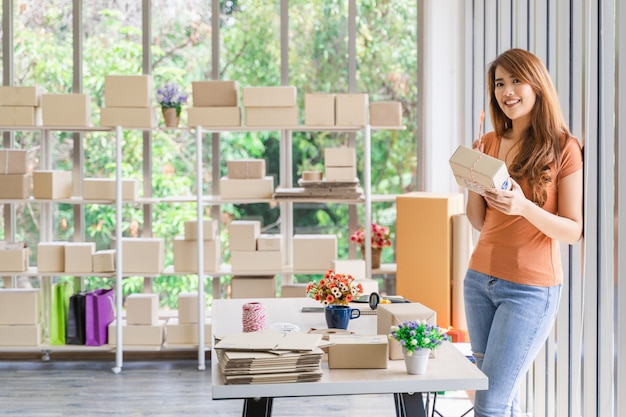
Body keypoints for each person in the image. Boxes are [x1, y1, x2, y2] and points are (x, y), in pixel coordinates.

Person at [464, 48, 583, 417]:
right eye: (500, 83)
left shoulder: (564, 147)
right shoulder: (488, 142)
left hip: (530, 291)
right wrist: (472, 177)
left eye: (516, 80)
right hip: (479, 281)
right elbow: (480, 221)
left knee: (490, 403)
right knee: (501, 397)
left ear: (537, 84)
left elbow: (573, 230)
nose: (507, 90)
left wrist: (524, 207)